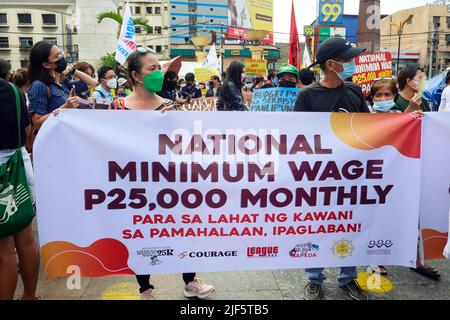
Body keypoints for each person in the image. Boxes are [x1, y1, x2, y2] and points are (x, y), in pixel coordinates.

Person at [110, 48, 216, 300]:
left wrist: (175, 123)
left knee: (180, 231)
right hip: (133, 184)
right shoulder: (118, 106)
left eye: (159, 67)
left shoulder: (168, 106)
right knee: (140, 235)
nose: (159, 72)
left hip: (168, 183)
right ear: (136, 75)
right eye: (152, 68)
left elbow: (183, 145)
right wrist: (64, 118)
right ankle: (145, 289)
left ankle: (191, 282)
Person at [294, 37, 369, 300]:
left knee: (348, 226)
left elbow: (370, 129)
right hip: (318, 178)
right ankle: (314, 279)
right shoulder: (307, 96)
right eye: (348, 60)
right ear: (331, 64)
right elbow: (298, 139)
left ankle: (348, 277)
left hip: (351, 176)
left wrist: (408, 119)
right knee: (316, 227)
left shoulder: (355, 91)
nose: (352, 64)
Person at [0, 78, 40, 300]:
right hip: (18, 168)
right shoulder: (13, 90)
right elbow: (27, 134)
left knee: (3, 249)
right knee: (25, 239)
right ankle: (30, 295)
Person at [27, 41, 95, 131]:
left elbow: (92, 83)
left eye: (61, 53)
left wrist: (72, 69)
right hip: (54, 140)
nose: (61, 57)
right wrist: (65, 107)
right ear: (46, 64)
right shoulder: (39, 86)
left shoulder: (62, 83)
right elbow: (37, 123)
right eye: (57, 56)